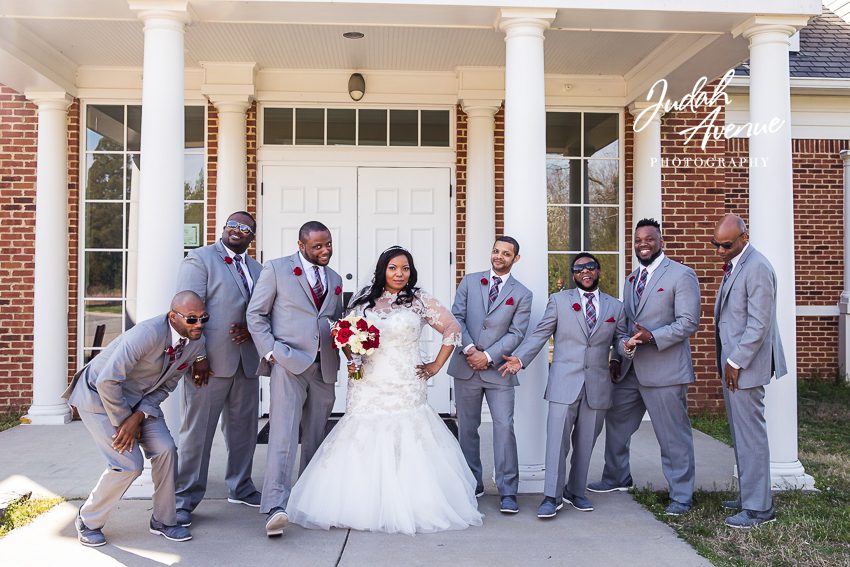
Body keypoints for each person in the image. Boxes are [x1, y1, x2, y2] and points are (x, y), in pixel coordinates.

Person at [285, 246, 484, 535]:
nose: (400, 273)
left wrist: (435, 366)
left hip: (405, 381)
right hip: (368, 381)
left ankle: (411, 501)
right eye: (393, 268)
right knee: (362, 435)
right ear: (383, 270)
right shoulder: (364, 300)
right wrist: (352, 359)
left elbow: (452, 328)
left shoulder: (418, 300)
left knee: (409, 436)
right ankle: (360, 502)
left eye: (405, 268)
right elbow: (344, 334)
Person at [62, 291, 208, 546]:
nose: (199, 325)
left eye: (203, 318)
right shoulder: (146, 334)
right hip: (99, 396)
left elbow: (167, 385)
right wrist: (124, 422)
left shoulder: (196, 342)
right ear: (173, 317)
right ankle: (88, 519)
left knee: (166, 450)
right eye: (192, 319)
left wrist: (139, 415)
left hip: (140, 402)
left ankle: (163, 520)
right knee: (129, 464)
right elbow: (107, 380)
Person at [589, 218, 700, 517]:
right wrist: (617, 354)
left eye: (649, 239)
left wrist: (654, 337)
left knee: (671, 434)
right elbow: (624, 324)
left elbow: (689, 322)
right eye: (638, 239)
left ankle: (681, 495)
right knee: (616, 423)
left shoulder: (681, 275)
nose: (643, 244)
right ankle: (616, 476)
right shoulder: (631, 279)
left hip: (665, 370)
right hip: (630, 369)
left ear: (661, 241)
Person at [500, 254, 626, 519]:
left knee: (586, 442)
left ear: (598, 271)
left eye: (590, 267)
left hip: (598, 385)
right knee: (557, 442)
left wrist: (622, 355)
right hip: (563, 384)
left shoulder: (616, 307)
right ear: (573, 275)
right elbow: (540, 334)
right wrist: (520, 359)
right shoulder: (559, 301)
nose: (585, 271)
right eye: (579, 268)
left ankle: (576, 491)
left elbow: (621, 340)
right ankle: (551, 496)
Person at [246, 221, 345, 537]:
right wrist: (271, 353)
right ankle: (275, 506)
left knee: (316, 436)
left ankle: (308, 499)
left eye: (328, 244)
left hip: (324, 367)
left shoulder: (335, 279)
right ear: (301, 245)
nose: (325, 250)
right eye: (318, 246)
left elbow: (334, 321)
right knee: (284, 435)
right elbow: (255, 314)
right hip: (288, 363)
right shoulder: (276, 269)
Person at [174, 211, 263, 528]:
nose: (238, 231)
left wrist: (253, 332)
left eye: (246, 228)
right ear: (224, 229)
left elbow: (261, 312)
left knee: (243, 431)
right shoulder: (200, 260)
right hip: (207, 363)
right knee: (197, 433)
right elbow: (186, 313)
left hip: (246, 361)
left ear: (252, 236)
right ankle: (183, 499)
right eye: (233, 225)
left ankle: (241, 486)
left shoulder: (257, 269)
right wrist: (197, 356)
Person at [448, 236, 532, 514]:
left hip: (499, 371)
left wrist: (488, 356)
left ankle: (508, 490)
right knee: (467, 428)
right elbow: (456, 317)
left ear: (515, 259)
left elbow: (517, 333)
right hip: (466, 365)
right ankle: (471, 483)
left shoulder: (522, 293)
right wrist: (471, 348)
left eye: (506, 254)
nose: (499, 256)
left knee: (504, 428)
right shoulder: (470, 282)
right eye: (496, 251)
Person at [712, 214, 786, 529]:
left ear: (744, 236)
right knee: (741, 434)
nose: (719, 251)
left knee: (751, 436)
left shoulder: (757, 267)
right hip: (735, 367)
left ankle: (759, 509)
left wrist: (735, 361)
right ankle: (749, 496)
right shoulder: (738, 263)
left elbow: (759, 323)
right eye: (715, 244)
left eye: (725, 245)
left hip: (745, 367)